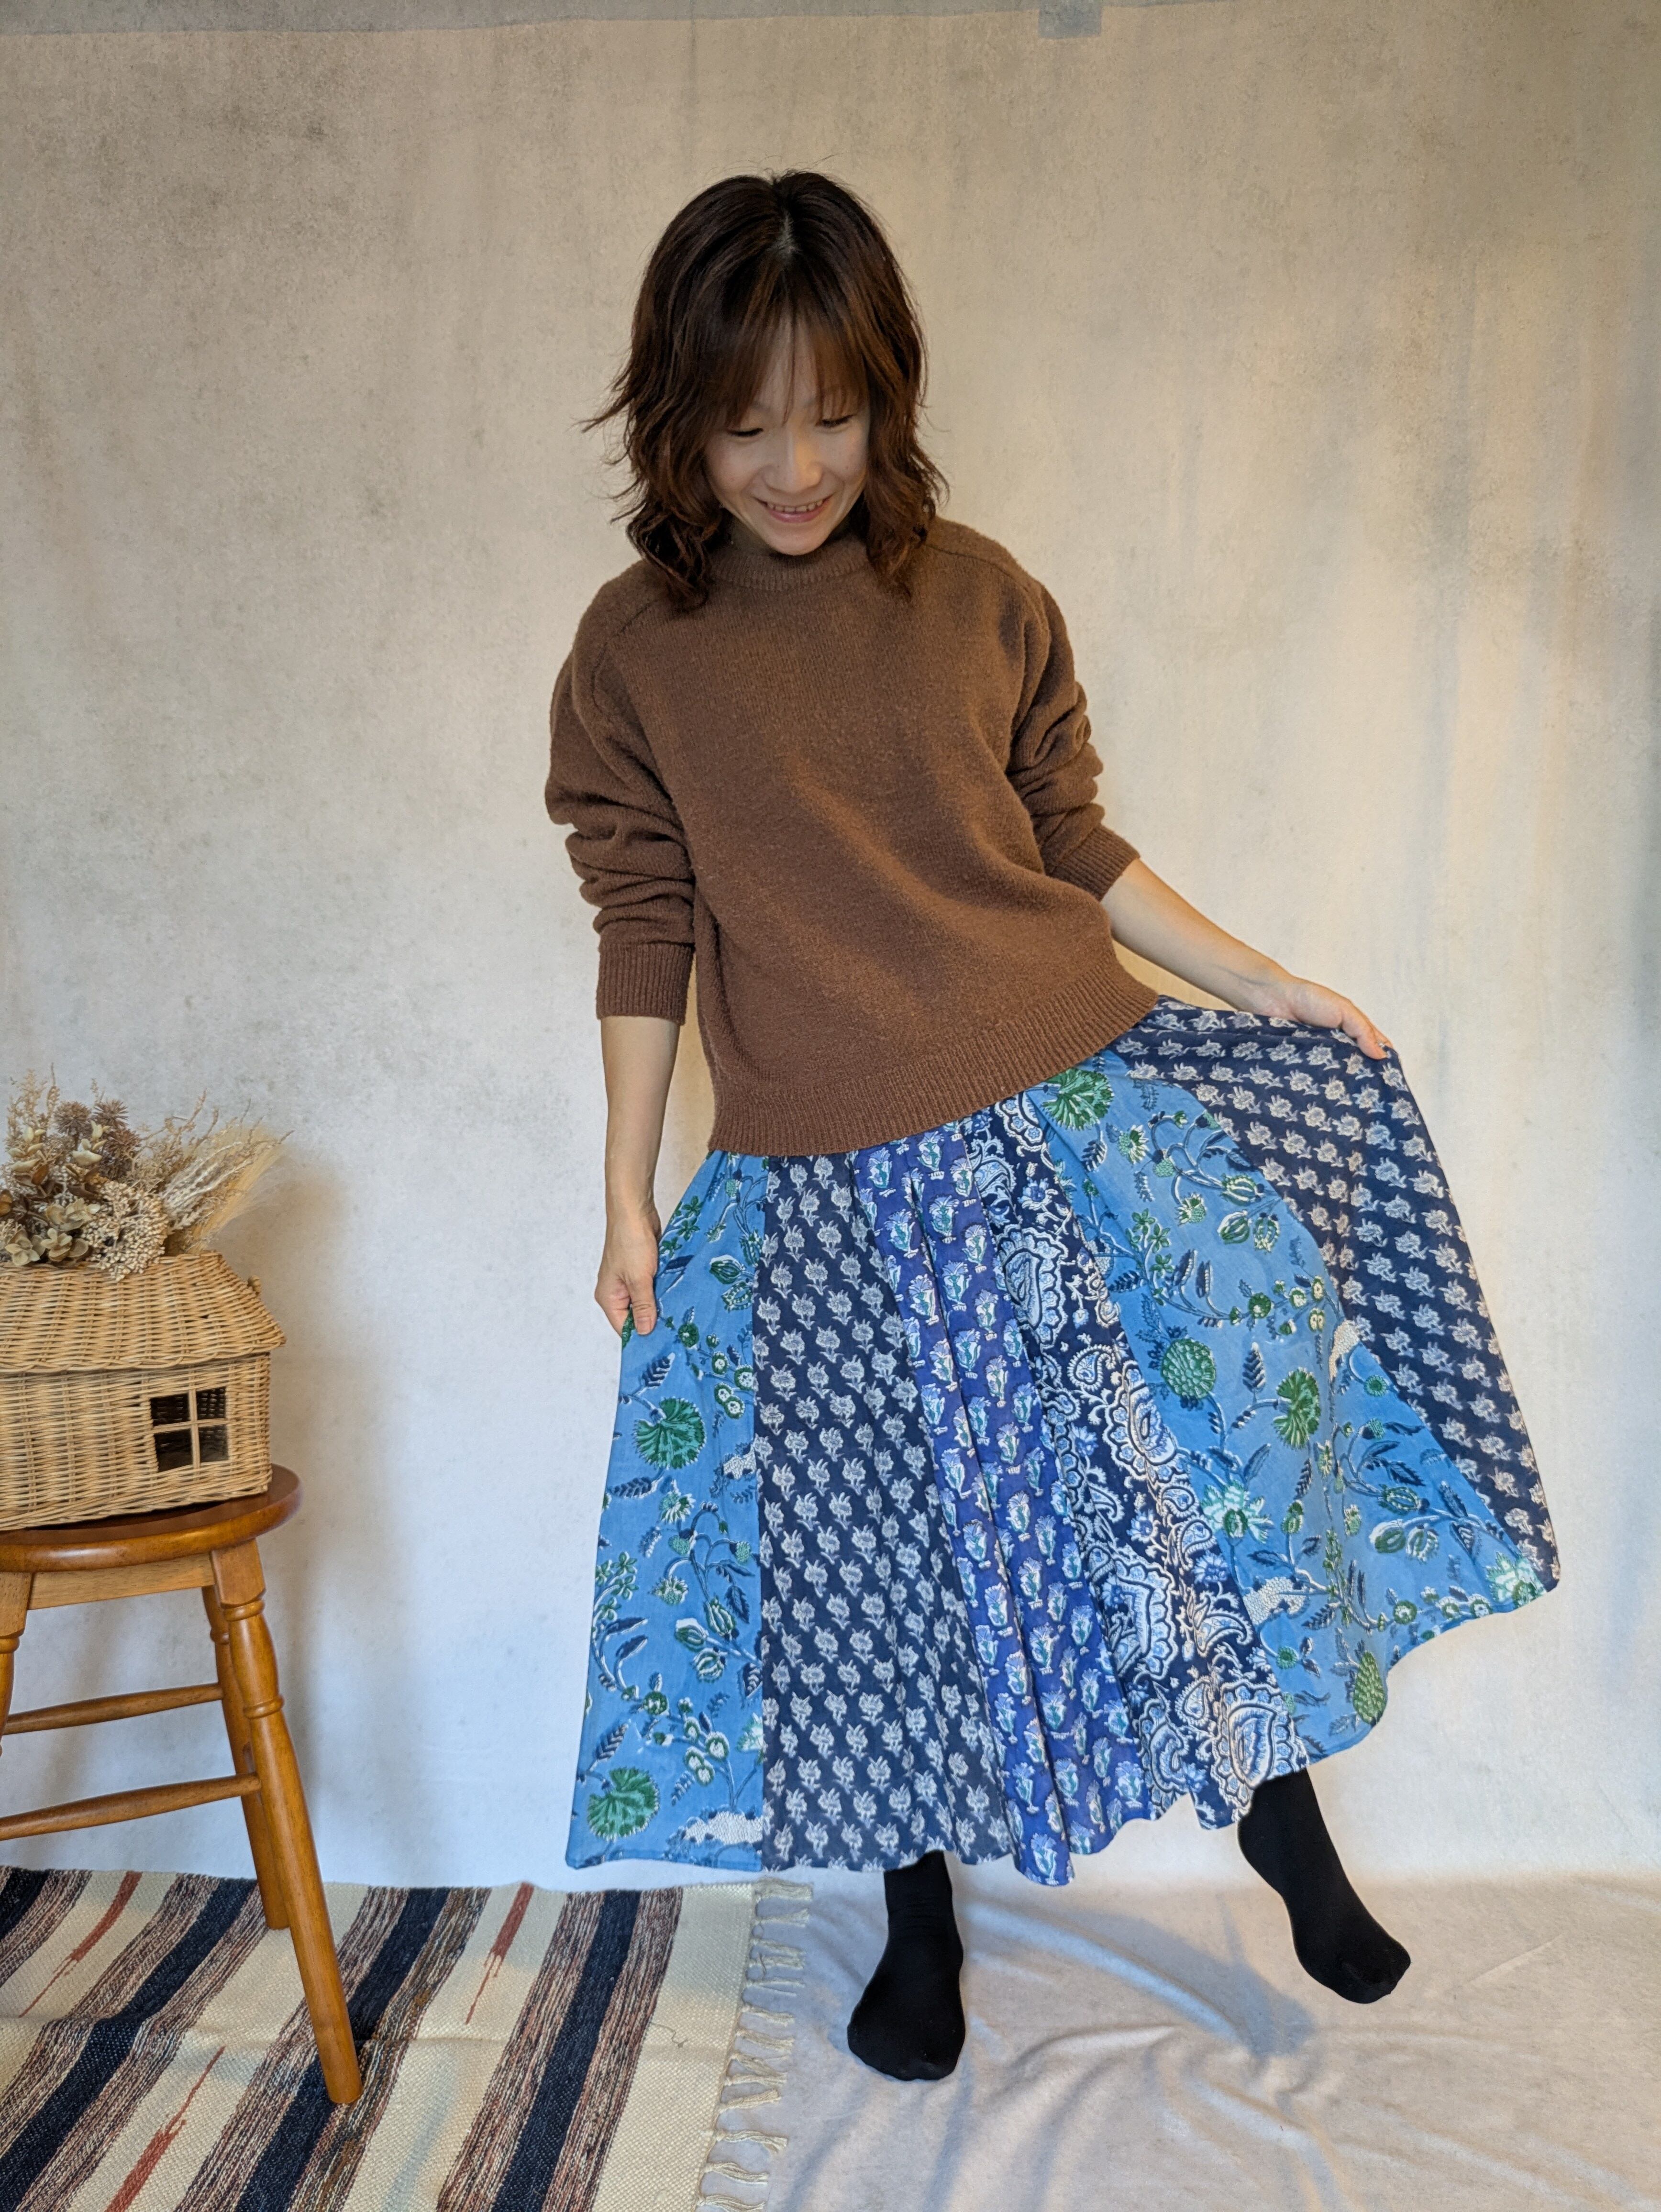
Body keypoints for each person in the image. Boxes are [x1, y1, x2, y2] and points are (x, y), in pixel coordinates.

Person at [544, 171, 1558, 2082]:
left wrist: (1261, 981)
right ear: (676, 417)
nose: (794, 466)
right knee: (876, 1557)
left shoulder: (981, 593)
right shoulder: (634, 652)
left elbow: (1068, 837)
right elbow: (644, 916)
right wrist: (622, 1185)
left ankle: (1284, 1829)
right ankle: (919, 1927)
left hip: (1065, 1112)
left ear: (890, 392)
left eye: (833, 414)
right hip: (817, 1176)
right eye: (746, 425)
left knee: (1170, 1476)